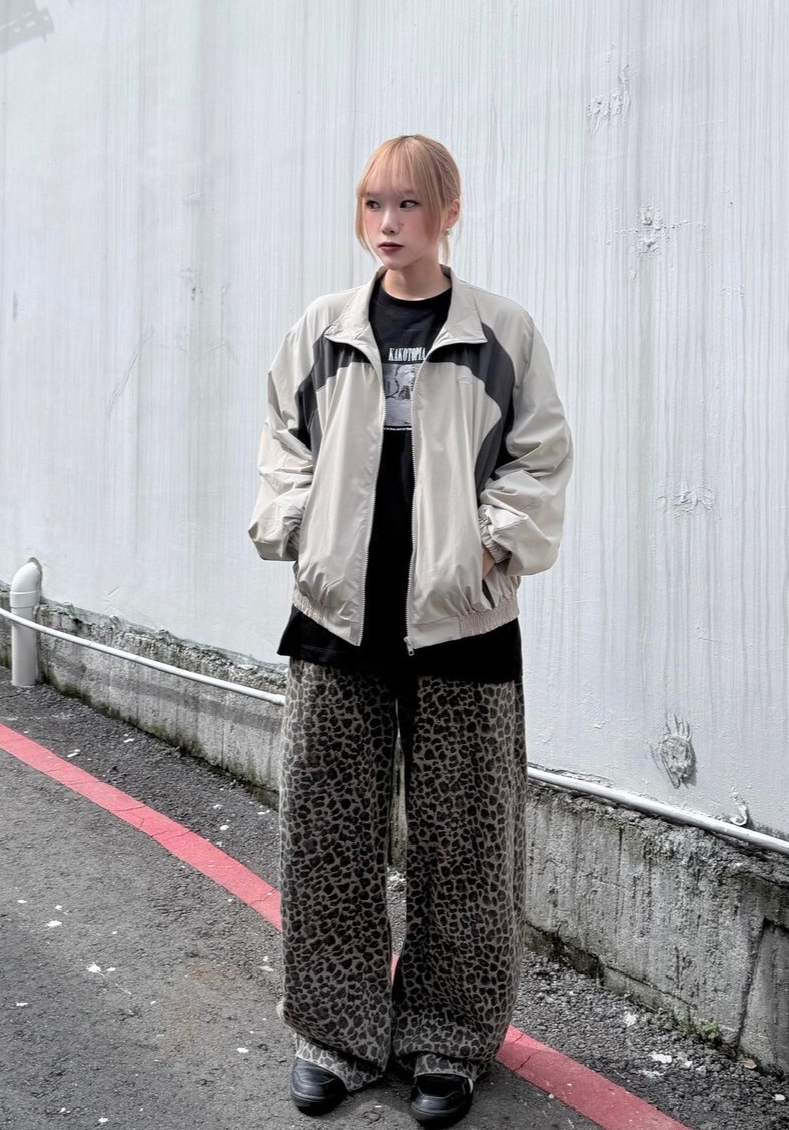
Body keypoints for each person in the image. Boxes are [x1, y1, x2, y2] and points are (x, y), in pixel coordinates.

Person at [248, 134, 572, 1127]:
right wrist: (297, 530)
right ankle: (336, 1033)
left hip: (461, 619)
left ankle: (449, 1038)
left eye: (409, 204)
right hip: (337, 615)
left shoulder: (500, 332)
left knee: (465, 841)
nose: (388, 223)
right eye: (373, 204)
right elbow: (282, 442)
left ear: (449, 211)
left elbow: (540, 454)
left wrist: (489, 548)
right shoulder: (323, 328)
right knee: (327, 832)